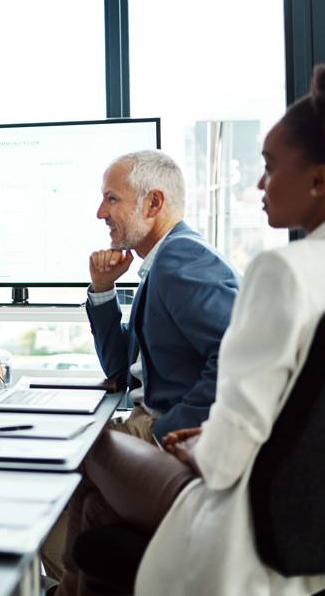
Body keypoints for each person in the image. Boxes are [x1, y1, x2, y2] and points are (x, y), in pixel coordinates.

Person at [62, 61, 325, 596]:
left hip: (253, 510)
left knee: (86, 446)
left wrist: (187, 441)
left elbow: (230, 451)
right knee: (95, 507)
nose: (259, 182)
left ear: (319, 179)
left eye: (271, 166)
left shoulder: (283, 272)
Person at [41, 149, 241, 585]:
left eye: (112, 199)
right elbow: (120, 367)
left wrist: (163, 429)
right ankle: (69, 586)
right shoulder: (160, 264)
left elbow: (235, 358)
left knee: (57, 463)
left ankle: (61, 586)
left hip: (169, 429)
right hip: (148, 416)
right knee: (80, 490)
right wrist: (101, 290)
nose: (100, 212)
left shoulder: (180, 261)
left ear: (153, 204)